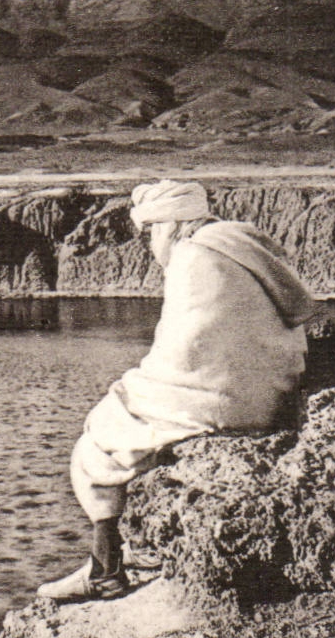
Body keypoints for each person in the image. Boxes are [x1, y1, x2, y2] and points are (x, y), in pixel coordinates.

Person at [36, 180, 317, 603]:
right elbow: (292, 314)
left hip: (220, 400)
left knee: (97, 439)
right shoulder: (242, 241)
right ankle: (146, 547)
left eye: (152, 230)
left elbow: (184, 351)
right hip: (275, 393)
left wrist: (136, 384)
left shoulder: (192, 256)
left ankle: (106, 567)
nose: (151, 241)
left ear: (171, 224)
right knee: (137, 423)